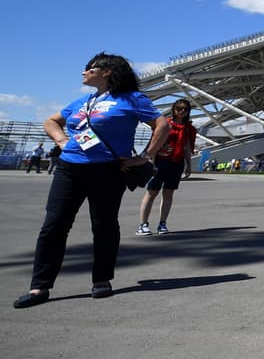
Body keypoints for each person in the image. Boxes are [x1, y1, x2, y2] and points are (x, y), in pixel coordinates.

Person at [14, 53, 168, 308]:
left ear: (106, 71)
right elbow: (51, 121)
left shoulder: (131, 99)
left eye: (89, 68)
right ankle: (39, 287)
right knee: (53, 225)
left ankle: (101, 280)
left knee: (104, 225)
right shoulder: (82, 102)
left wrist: (145, 156)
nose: (84, 73)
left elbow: (161, 125)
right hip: (69, 169)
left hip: (107, 170)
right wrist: (62, 142)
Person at [136, 99, 197, 236]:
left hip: (177, 163)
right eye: (179, 108)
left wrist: (188, 164)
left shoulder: (188, 128)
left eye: (185, 109)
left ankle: (162, 223)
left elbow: (186, 147)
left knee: (168, 193)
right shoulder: (165, 124)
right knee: (152, 192)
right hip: (160, 161)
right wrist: (151, 160)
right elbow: (154, 141)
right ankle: (143, 224)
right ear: (173, 109)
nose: (182, 111)